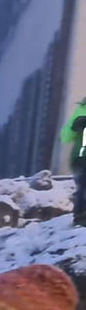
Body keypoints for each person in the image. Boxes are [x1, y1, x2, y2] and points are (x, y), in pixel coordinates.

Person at [61, 96, 86, 228]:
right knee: (83, 185)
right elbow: (65, 137)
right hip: (81, 157)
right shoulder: (82, 110)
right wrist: (73, 126)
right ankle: (80, 217)